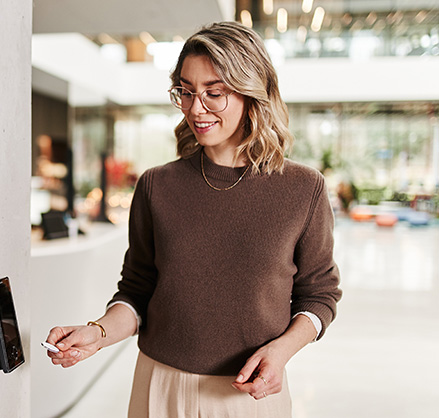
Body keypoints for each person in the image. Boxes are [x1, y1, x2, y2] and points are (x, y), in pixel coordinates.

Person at [45, 21, 342, 417]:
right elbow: (137, 292)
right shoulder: (156, 186)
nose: (195, 108)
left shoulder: (302, 189)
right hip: (159, 386)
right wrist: (97, 333)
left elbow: (319, 294)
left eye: (213, 93)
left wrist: (282, 350)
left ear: (252, 92)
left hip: (251, 393)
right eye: (186, 91)